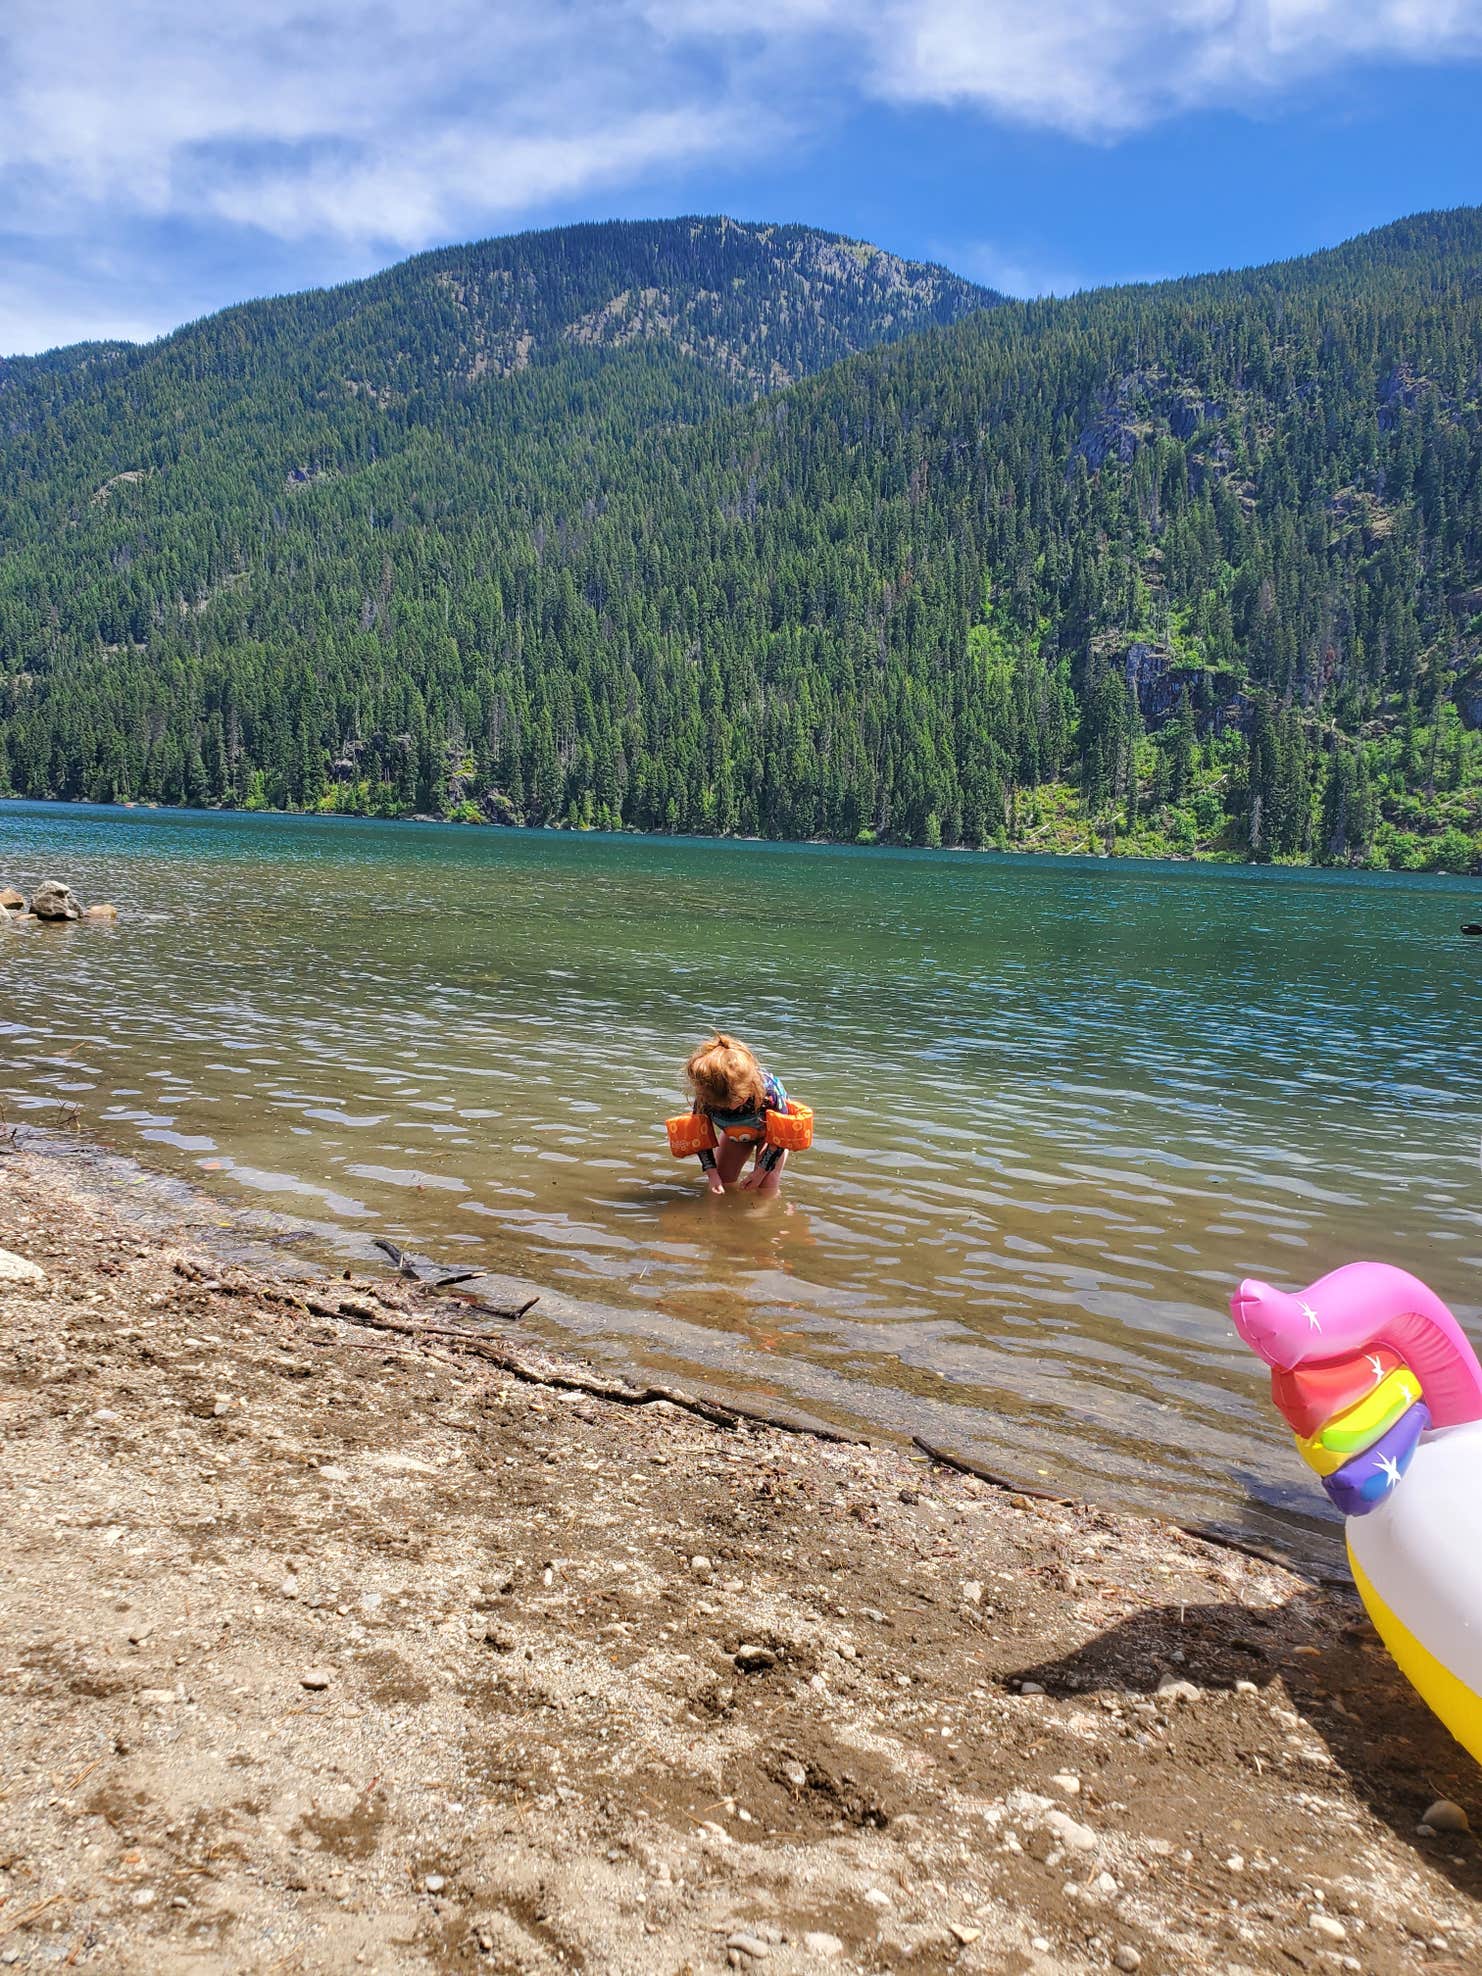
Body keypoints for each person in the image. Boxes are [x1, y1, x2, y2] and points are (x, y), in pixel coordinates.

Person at [682, 1032, 792, 1197]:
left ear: (749, 1087)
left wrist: (759, 1173)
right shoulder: (706, 1096)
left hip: (771, 1137)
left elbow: (781, 1139)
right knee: (723, 1182)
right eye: (720, 1105)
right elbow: (700, 1138)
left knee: (765, 1186)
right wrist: (712, 1175)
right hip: (736, 1134)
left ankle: (778, 1215)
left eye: (733, 1101)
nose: (729, 1108)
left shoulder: (769, 1093)